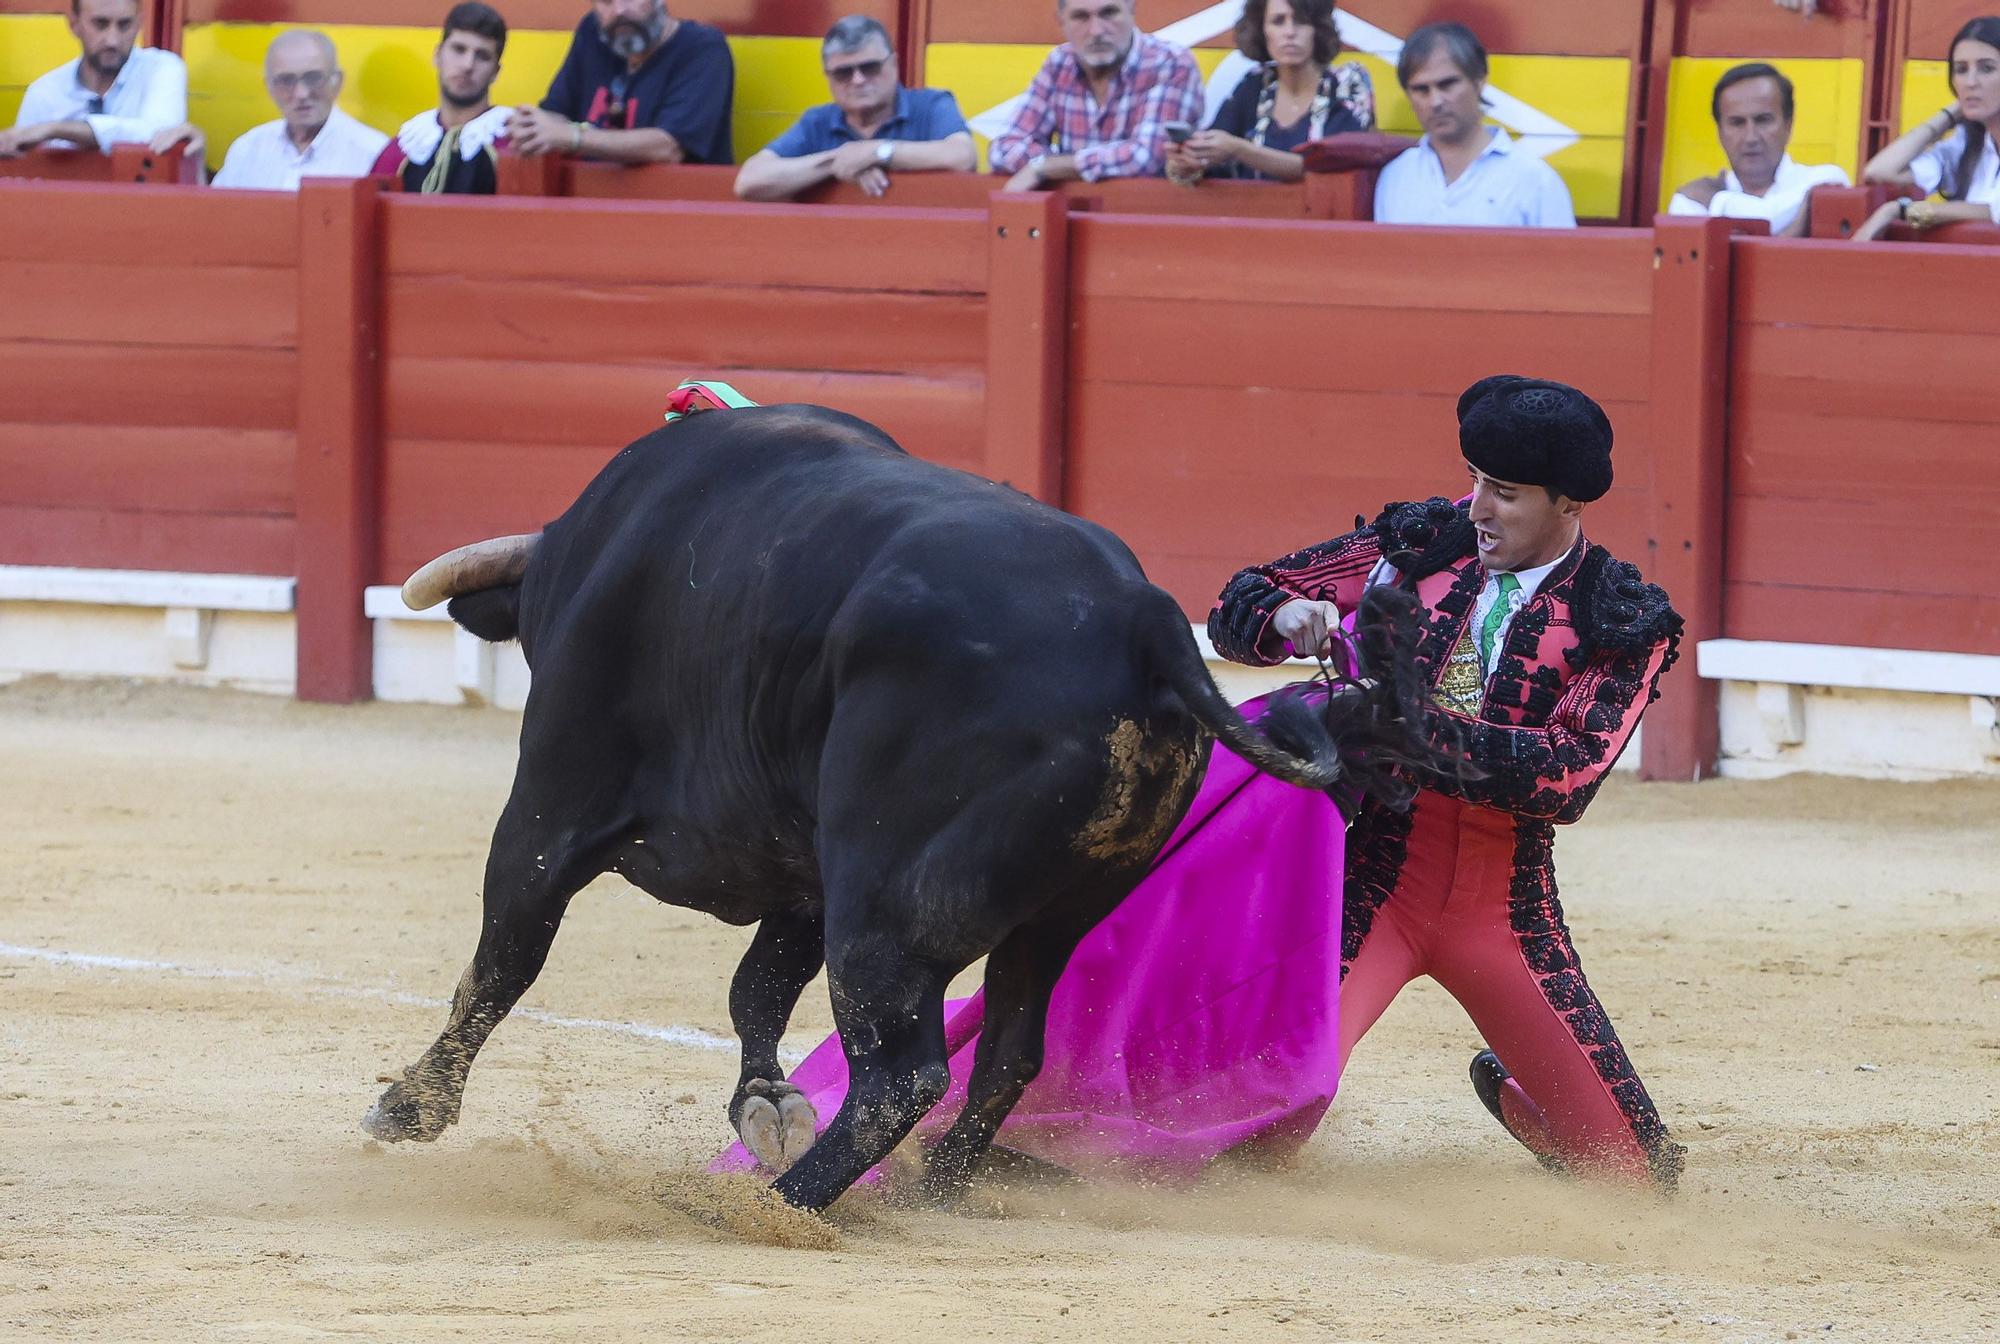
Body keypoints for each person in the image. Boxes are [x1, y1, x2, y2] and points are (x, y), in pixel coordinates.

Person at [720, 376, 1687, 1194]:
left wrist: (1395, 717)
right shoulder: (1418, 545)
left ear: (1569, 503)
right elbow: (1239, 605)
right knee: (1254, 1123)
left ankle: (1516, 1094)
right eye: (1475, 479)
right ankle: (998, 1141)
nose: (1478, 507)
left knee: (1639, 1176)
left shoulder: (1620, 617)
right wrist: (1296, 622)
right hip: (1356, 887)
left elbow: (1566, 776)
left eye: (1506, 492)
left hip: (1502, 910)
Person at [733, 15, 973, 201]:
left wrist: (879, 152)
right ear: (828, 77)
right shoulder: (817, 121)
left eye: (869, 68)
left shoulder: (932, 105)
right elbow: (749, 181)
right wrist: (838, 160)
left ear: (894, 65)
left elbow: (963, 156)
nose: (858, 80)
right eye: (843, 72)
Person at [1372, 22, 1575, 228]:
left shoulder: (1535, 181)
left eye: (1447, 84)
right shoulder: (1396, 177)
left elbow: (1566, 259)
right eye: (1421, 89)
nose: (1436, 101)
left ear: (1479, 82)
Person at [988, 0, 1204, 192]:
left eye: (1108, 13)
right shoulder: (1060, 62)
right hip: (1071, 216)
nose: (1096, 30)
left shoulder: (1171, 63)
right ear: (1061, 21)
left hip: (1150, 217)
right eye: (1080, 17)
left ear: (1132, 9)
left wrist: (1046, 167)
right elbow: (1002, 148)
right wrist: (1050, 166)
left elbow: (1145, 158)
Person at [1166, 0, 1373, 184]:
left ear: (1319, 29)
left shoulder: (1348, 83)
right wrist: (1190, 161)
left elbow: (1331, 166)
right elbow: (1217, 156)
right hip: (1252, 219)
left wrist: (1240, 150)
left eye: (1301, 21)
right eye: (1278, 21)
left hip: (1328, 222)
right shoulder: (1254, 84)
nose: (1290, 32)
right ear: (1262, 30)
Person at [509, 0, 734, 166]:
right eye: (606, 1)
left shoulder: (703, 49)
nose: (619, 11)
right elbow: (557, 113)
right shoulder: (593, 32)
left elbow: (668, 147)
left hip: (675, 214)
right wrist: (530, 127)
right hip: (588, 203)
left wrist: (573, 137)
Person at [157, 31, 387, 191]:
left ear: (337, 81)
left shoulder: (373, 152)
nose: (301, 93)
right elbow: (217, 220)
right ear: (269, 87)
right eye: (286, 81)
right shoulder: (248, 148)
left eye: (313, 78)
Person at [1855, 16, 2000, 239]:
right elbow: (1881, 171)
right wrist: (1950, 115)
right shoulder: (1968, 146)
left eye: (1987, 69)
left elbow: (1994, 210)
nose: (1971, 82)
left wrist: (1901, 210)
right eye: (1961, 70)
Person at [1667, 62, 1849, 236]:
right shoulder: (1689, 204)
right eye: (1737, 123)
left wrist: (1717, 202)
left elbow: (1767, 216)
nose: (1751, 137)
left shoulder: (1827, 179)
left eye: (1763, 120)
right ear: (1720, 133)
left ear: (1788, 125)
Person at [0, 0, 186, 159]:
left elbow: (162, 135)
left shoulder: (162, 68)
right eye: (100, 24)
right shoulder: (44, 93)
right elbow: (23, 177)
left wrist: (55, 129)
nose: (112, 40)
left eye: (124, 24)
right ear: (74, 24)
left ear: (139, 23)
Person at [372, 3, 510, 195]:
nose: (468, 65)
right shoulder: (402, 150)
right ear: (437, 55)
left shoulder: (512, 146)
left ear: (495, 72)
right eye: (459, 49)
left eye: (482, 56)